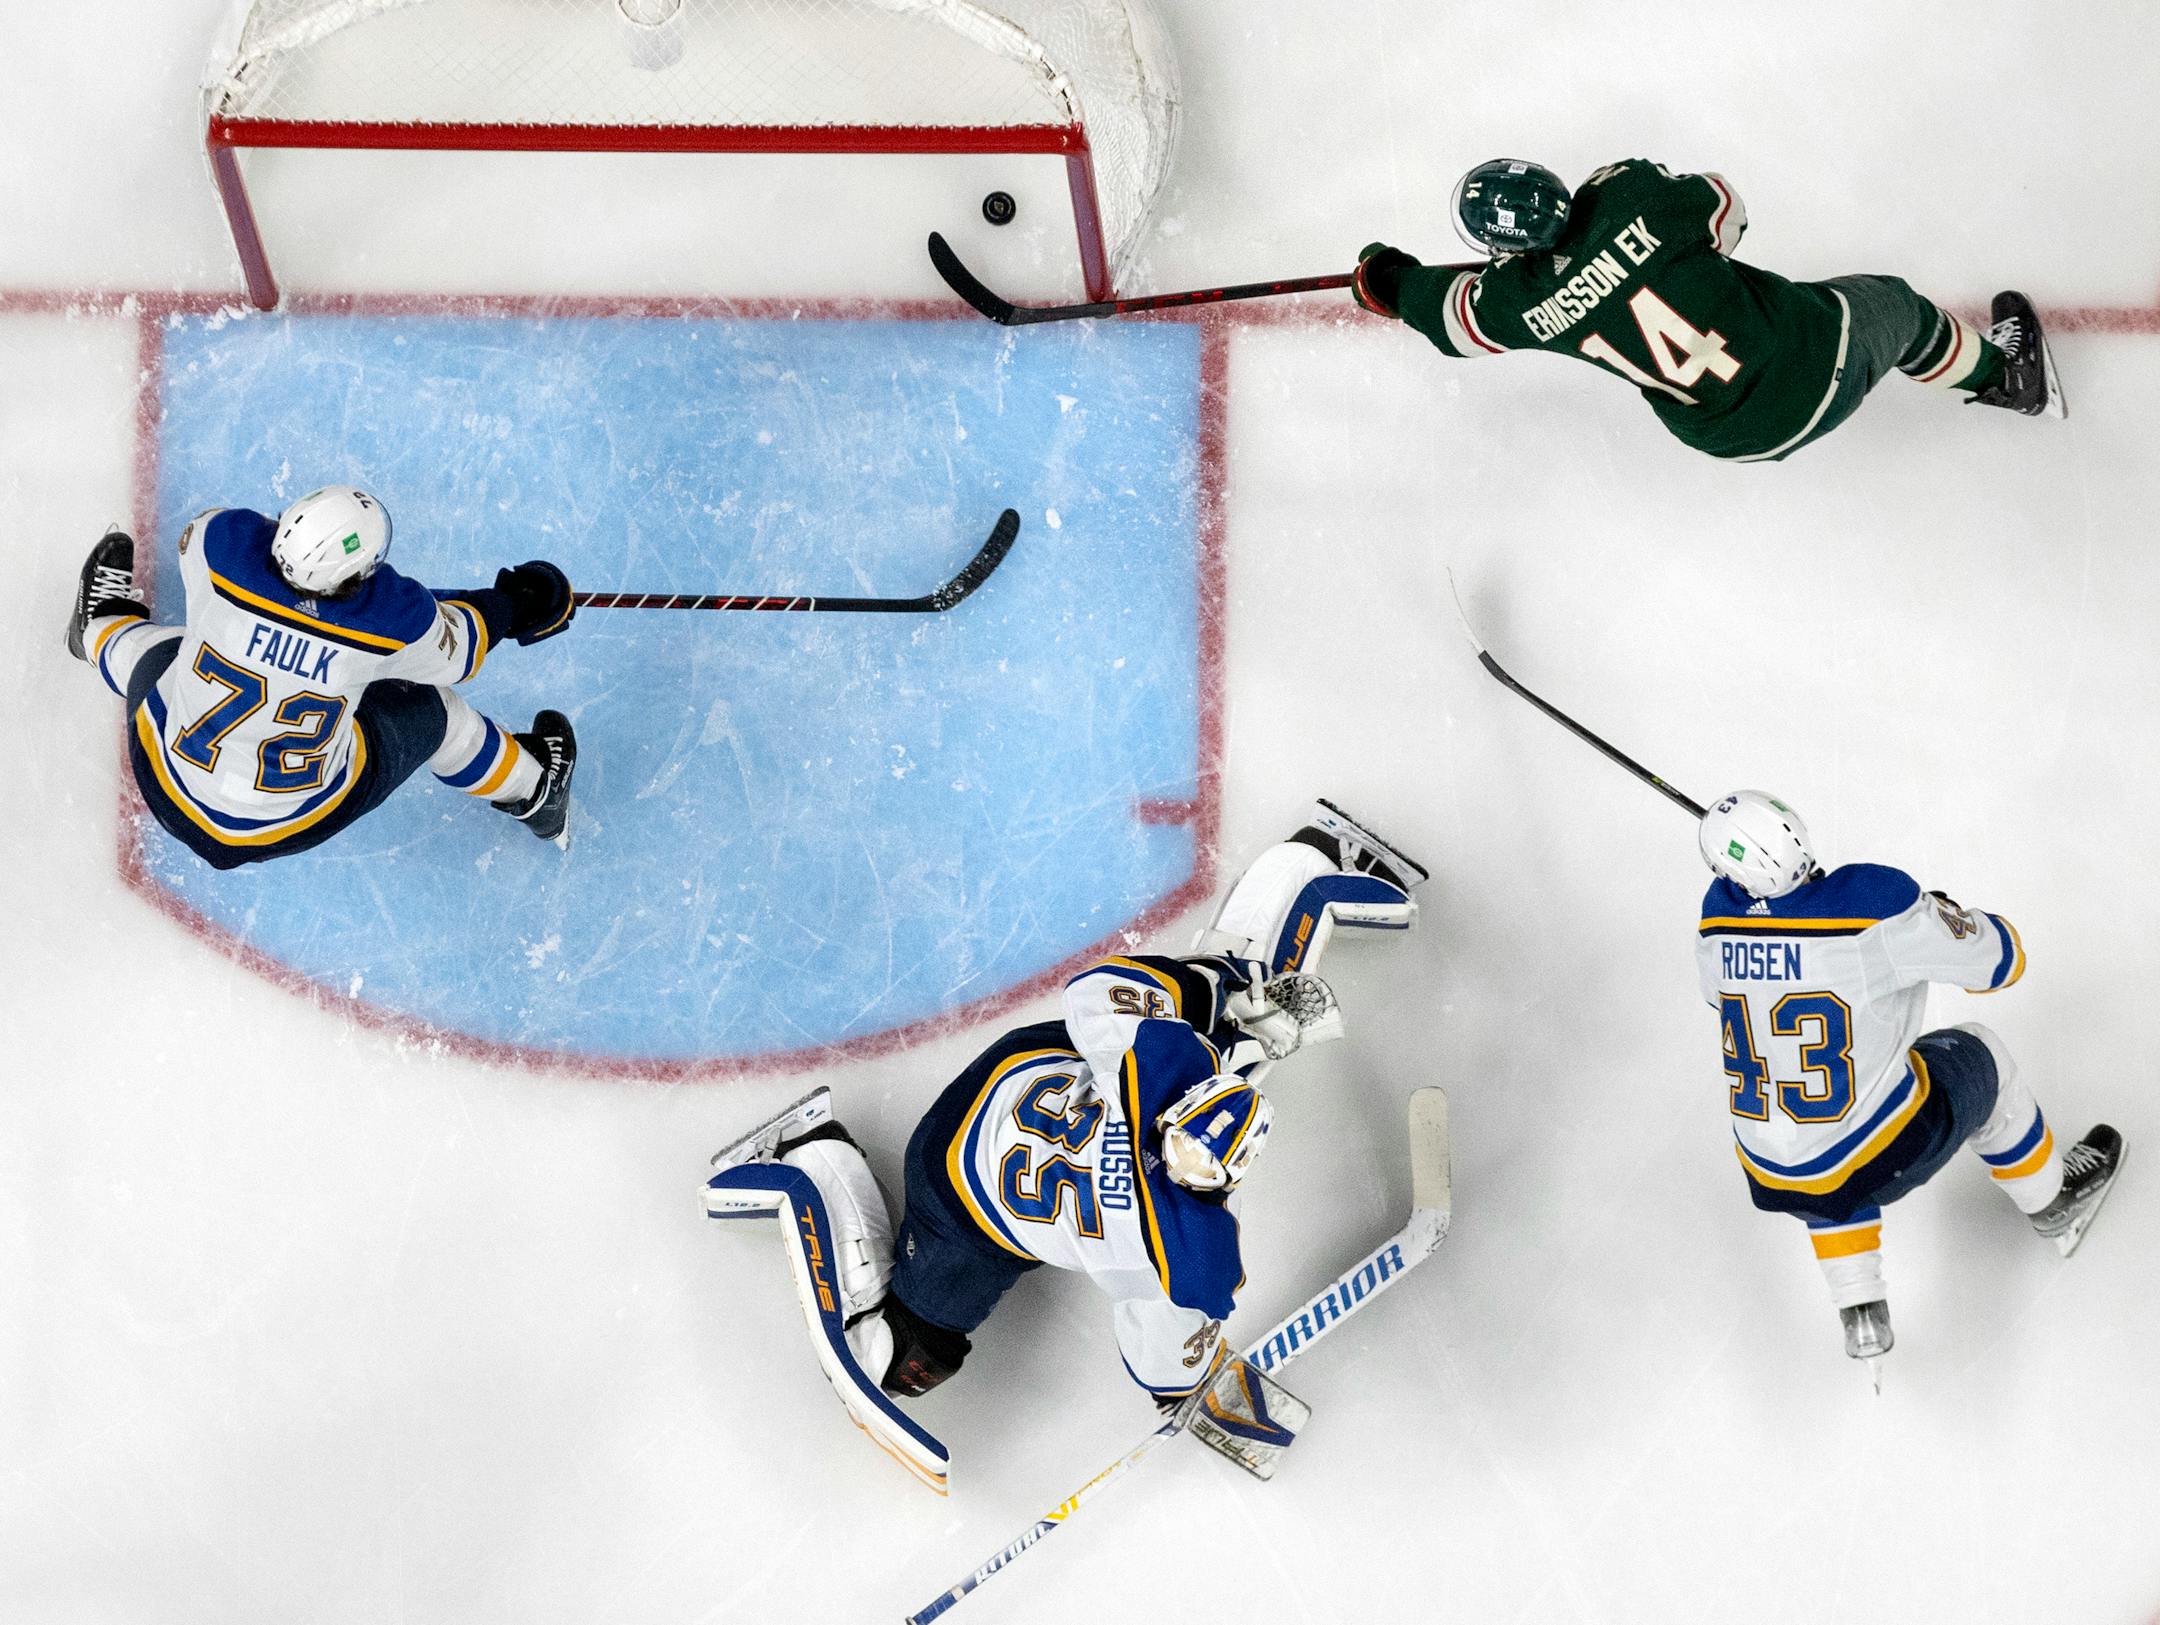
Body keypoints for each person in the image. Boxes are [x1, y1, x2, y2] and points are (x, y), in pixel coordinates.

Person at [703, 800, 1428, 1490]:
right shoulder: (1169, 1254)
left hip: (1007, 1090)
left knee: (1231, 1014)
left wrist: (1215, 996)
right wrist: (1196, 1378)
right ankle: (809, 1158)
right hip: (960, 1198)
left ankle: (1310, 864)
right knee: (896, 1355)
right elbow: (1166, 1365)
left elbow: (1099, 993)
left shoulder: (1158, 1075)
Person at [1694, 790, 2121, 1383]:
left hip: (1769, 1171)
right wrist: (1942, 917)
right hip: (1883, 1152)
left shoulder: (1715, 919)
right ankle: (2055, 1205)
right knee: (1982, 1052)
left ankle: (1860, 1305)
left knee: (1816, 1130)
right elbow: (2001, 964)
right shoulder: (1871, 901)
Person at [1353, 158, 2063, 463]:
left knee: (1827, 337)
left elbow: (1447, 321)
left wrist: (1388, 279)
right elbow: (1730, 213)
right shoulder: (1632, 193)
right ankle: (2009, 379)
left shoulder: (1515, 300)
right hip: (1811, 361)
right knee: (1898, 307)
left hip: (1723, 438)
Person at [64, 487, 580, 864]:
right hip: (280, 823)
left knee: (175, 657)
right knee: (437, 713)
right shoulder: (392, 619)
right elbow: (459, 650)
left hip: (167, 784)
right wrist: (515, 604)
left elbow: (209, 541)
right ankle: (536, 792)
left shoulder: (218, 543)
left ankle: (97, 628)